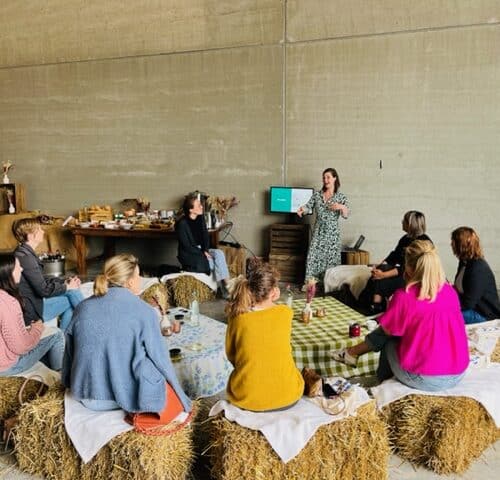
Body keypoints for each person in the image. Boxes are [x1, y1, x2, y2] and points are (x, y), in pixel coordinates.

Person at [62, 254, 191, 419]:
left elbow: (69, 351)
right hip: (121, 398)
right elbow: (161, 359)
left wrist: (67, 382)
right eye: (138, 275)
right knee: (149, 360)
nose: (141, 279)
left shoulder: (82, 307)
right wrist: (182, 398)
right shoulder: (145, 311)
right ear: (130, 281)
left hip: (85, 395)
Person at [331, 240, 469, 392]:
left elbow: (386, 332)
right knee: (395, 332)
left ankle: (377, 379)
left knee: (390, 338)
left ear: (408, 267)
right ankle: (352, 353)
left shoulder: (405, 297)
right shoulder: (450, 292)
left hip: (425, 378)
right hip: (457, 373)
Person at [225, 262, 304, 411]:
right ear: (274, 292)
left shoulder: (237, 318)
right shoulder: (286, 313)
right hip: (289, 395)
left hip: (247, 397)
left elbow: (231, 355)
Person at [13, 218, 83, 330]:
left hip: (35, 303)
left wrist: (64, 281)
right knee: (72, 293)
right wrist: (67, 287)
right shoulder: (25, 257)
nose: (43, 231)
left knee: (72, 294)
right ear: (30, 236)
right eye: (39, 229)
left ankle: (63, 337)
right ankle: (93, 320)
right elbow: (43, 290)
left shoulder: (24, 252)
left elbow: (41, 279)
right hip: (32, 312)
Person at [0, 254, 64, 376]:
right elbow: (21, 347)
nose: (21, 269)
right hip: (6, 367)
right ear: (7, 273)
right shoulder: (7, 302)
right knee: (57, 334)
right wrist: (37, 329)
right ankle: (60, 381)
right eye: (18, 267)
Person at [360, 210, 431, 314]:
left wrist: (383, 275)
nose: (402, 222)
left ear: (410, 224)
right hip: (404, 273)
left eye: (404, 220)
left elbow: (407, 268)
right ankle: (374, 304)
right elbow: (394, 256)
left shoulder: (423, 242)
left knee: (380, 280)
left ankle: (374, 305)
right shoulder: (405, 238)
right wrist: (379, 267)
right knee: (380, 270)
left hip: (415, 278)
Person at [297, 168, 349, 282]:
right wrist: (302, 209)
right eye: (324, 178)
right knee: (312, 258)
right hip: (318, 232)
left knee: (331, 261)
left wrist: (341, 207)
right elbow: (308, 206)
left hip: (332, 234)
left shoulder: (341, 197)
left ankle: (330, 285)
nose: (325, 180)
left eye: (328, 177)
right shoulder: (317, 195)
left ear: (334, 178)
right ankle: (311, 284)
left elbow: (346, 215)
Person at [176, 193, 230, 298]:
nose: (201, 206)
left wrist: (205, 250)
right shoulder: (182, 224)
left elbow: (205, 235)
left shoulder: (200, 218)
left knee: (219, 253)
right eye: (198, 205)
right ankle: (227, 290)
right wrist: (202, 253)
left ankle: (227, 288)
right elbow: (187, 247)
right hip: (189, 254)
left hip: (202, 250)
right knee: (214, 262)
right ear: (191, 210)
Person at [451, 227, 500, 324]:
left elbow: (468, 303)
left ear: (461, 245)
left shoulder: (477, 268)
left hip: (483, 314)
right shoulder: (464, 262)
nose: (451, 244)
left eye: (453, 242)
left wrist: (449, 306)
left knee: (444, 314)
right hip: (470, 308)